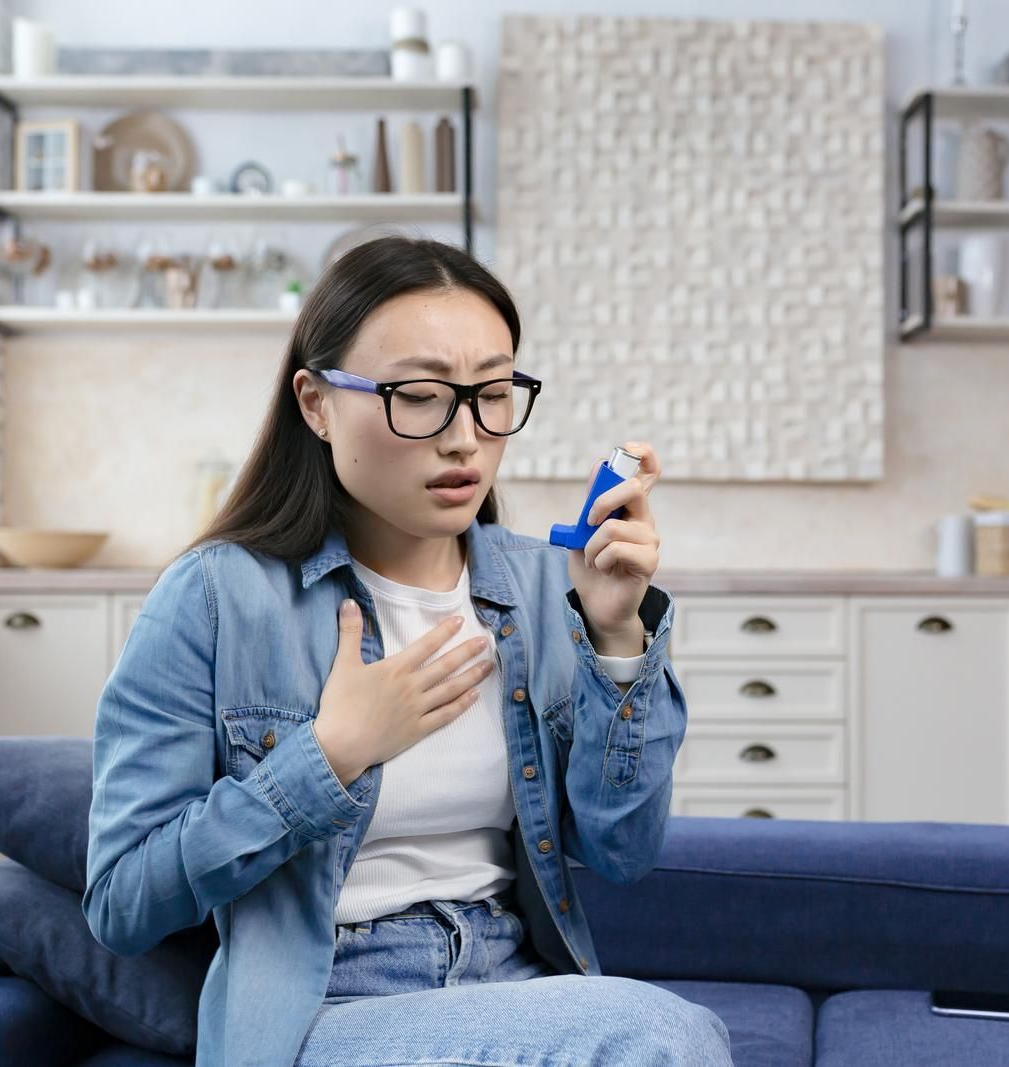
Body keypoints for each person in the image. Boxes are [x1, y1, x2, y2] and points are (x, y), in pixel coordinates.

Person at [82, 236, 732, 1067]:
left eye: (492, 394)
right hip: (327, 1005)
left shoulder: (544, 586)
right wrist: (328, 757)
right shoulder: (217, 597)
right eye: (419, 396)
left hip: (516, 984)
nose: (465, 437)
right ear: (316, 403)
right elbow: (122, 901)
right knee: (658, 1035)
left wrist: (614, 640)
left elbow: (622, 849)